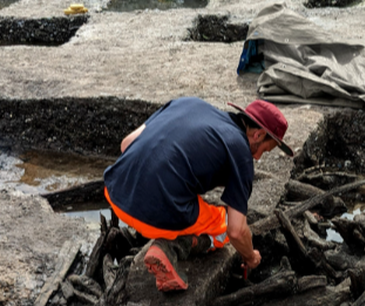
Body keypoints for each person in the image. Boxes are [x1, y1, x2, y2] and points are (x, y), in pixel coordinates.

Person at [102, 97, 295, 292]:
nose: (257, 157)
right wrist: (250, 257)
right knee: (222, 227)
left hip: (115, 192)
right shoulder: (241, 153)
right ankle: (170, 249)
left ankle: (167, 230)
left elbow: (126, 144)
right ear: (259, 135)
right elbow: (236, 231)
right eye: (263, 150)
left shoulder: (187, 103)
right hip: (150, 216)